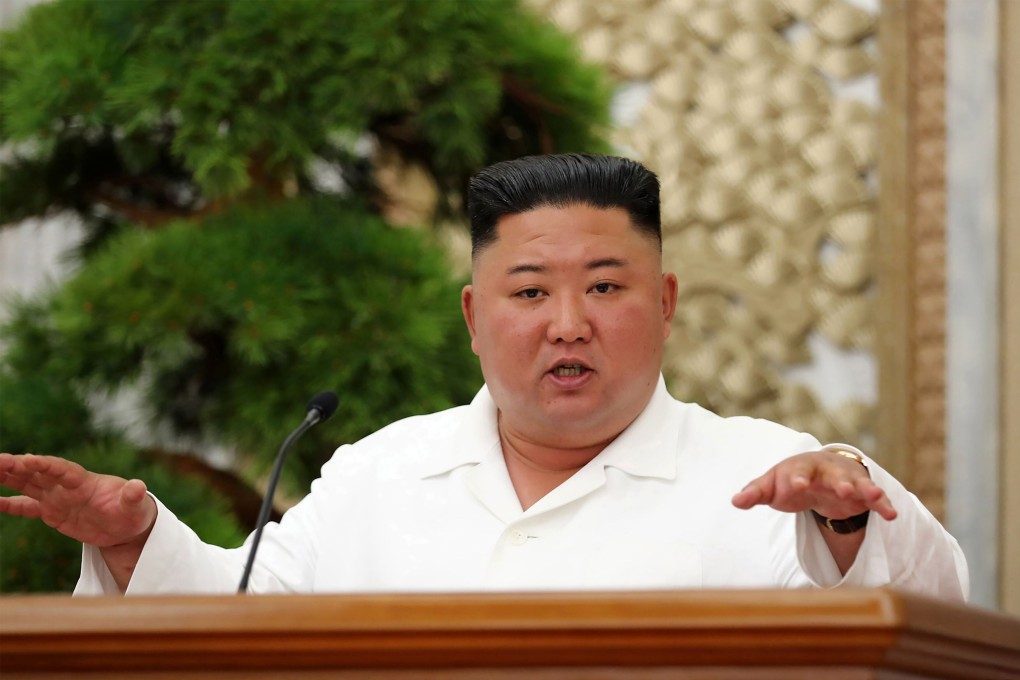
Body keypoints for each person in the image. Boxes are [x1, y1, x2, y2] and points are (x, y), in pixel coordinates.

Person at [0, 154, 967, 599]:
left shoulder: (767, 477)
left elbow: (926, 616)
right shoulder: (376, 473)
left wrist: (848, 511)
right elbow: (238, 630)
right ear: (473, 317)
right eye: (530, 291)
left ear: (665, 302)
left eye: (604, 286)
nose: (569, 324)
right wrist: (136, 544)